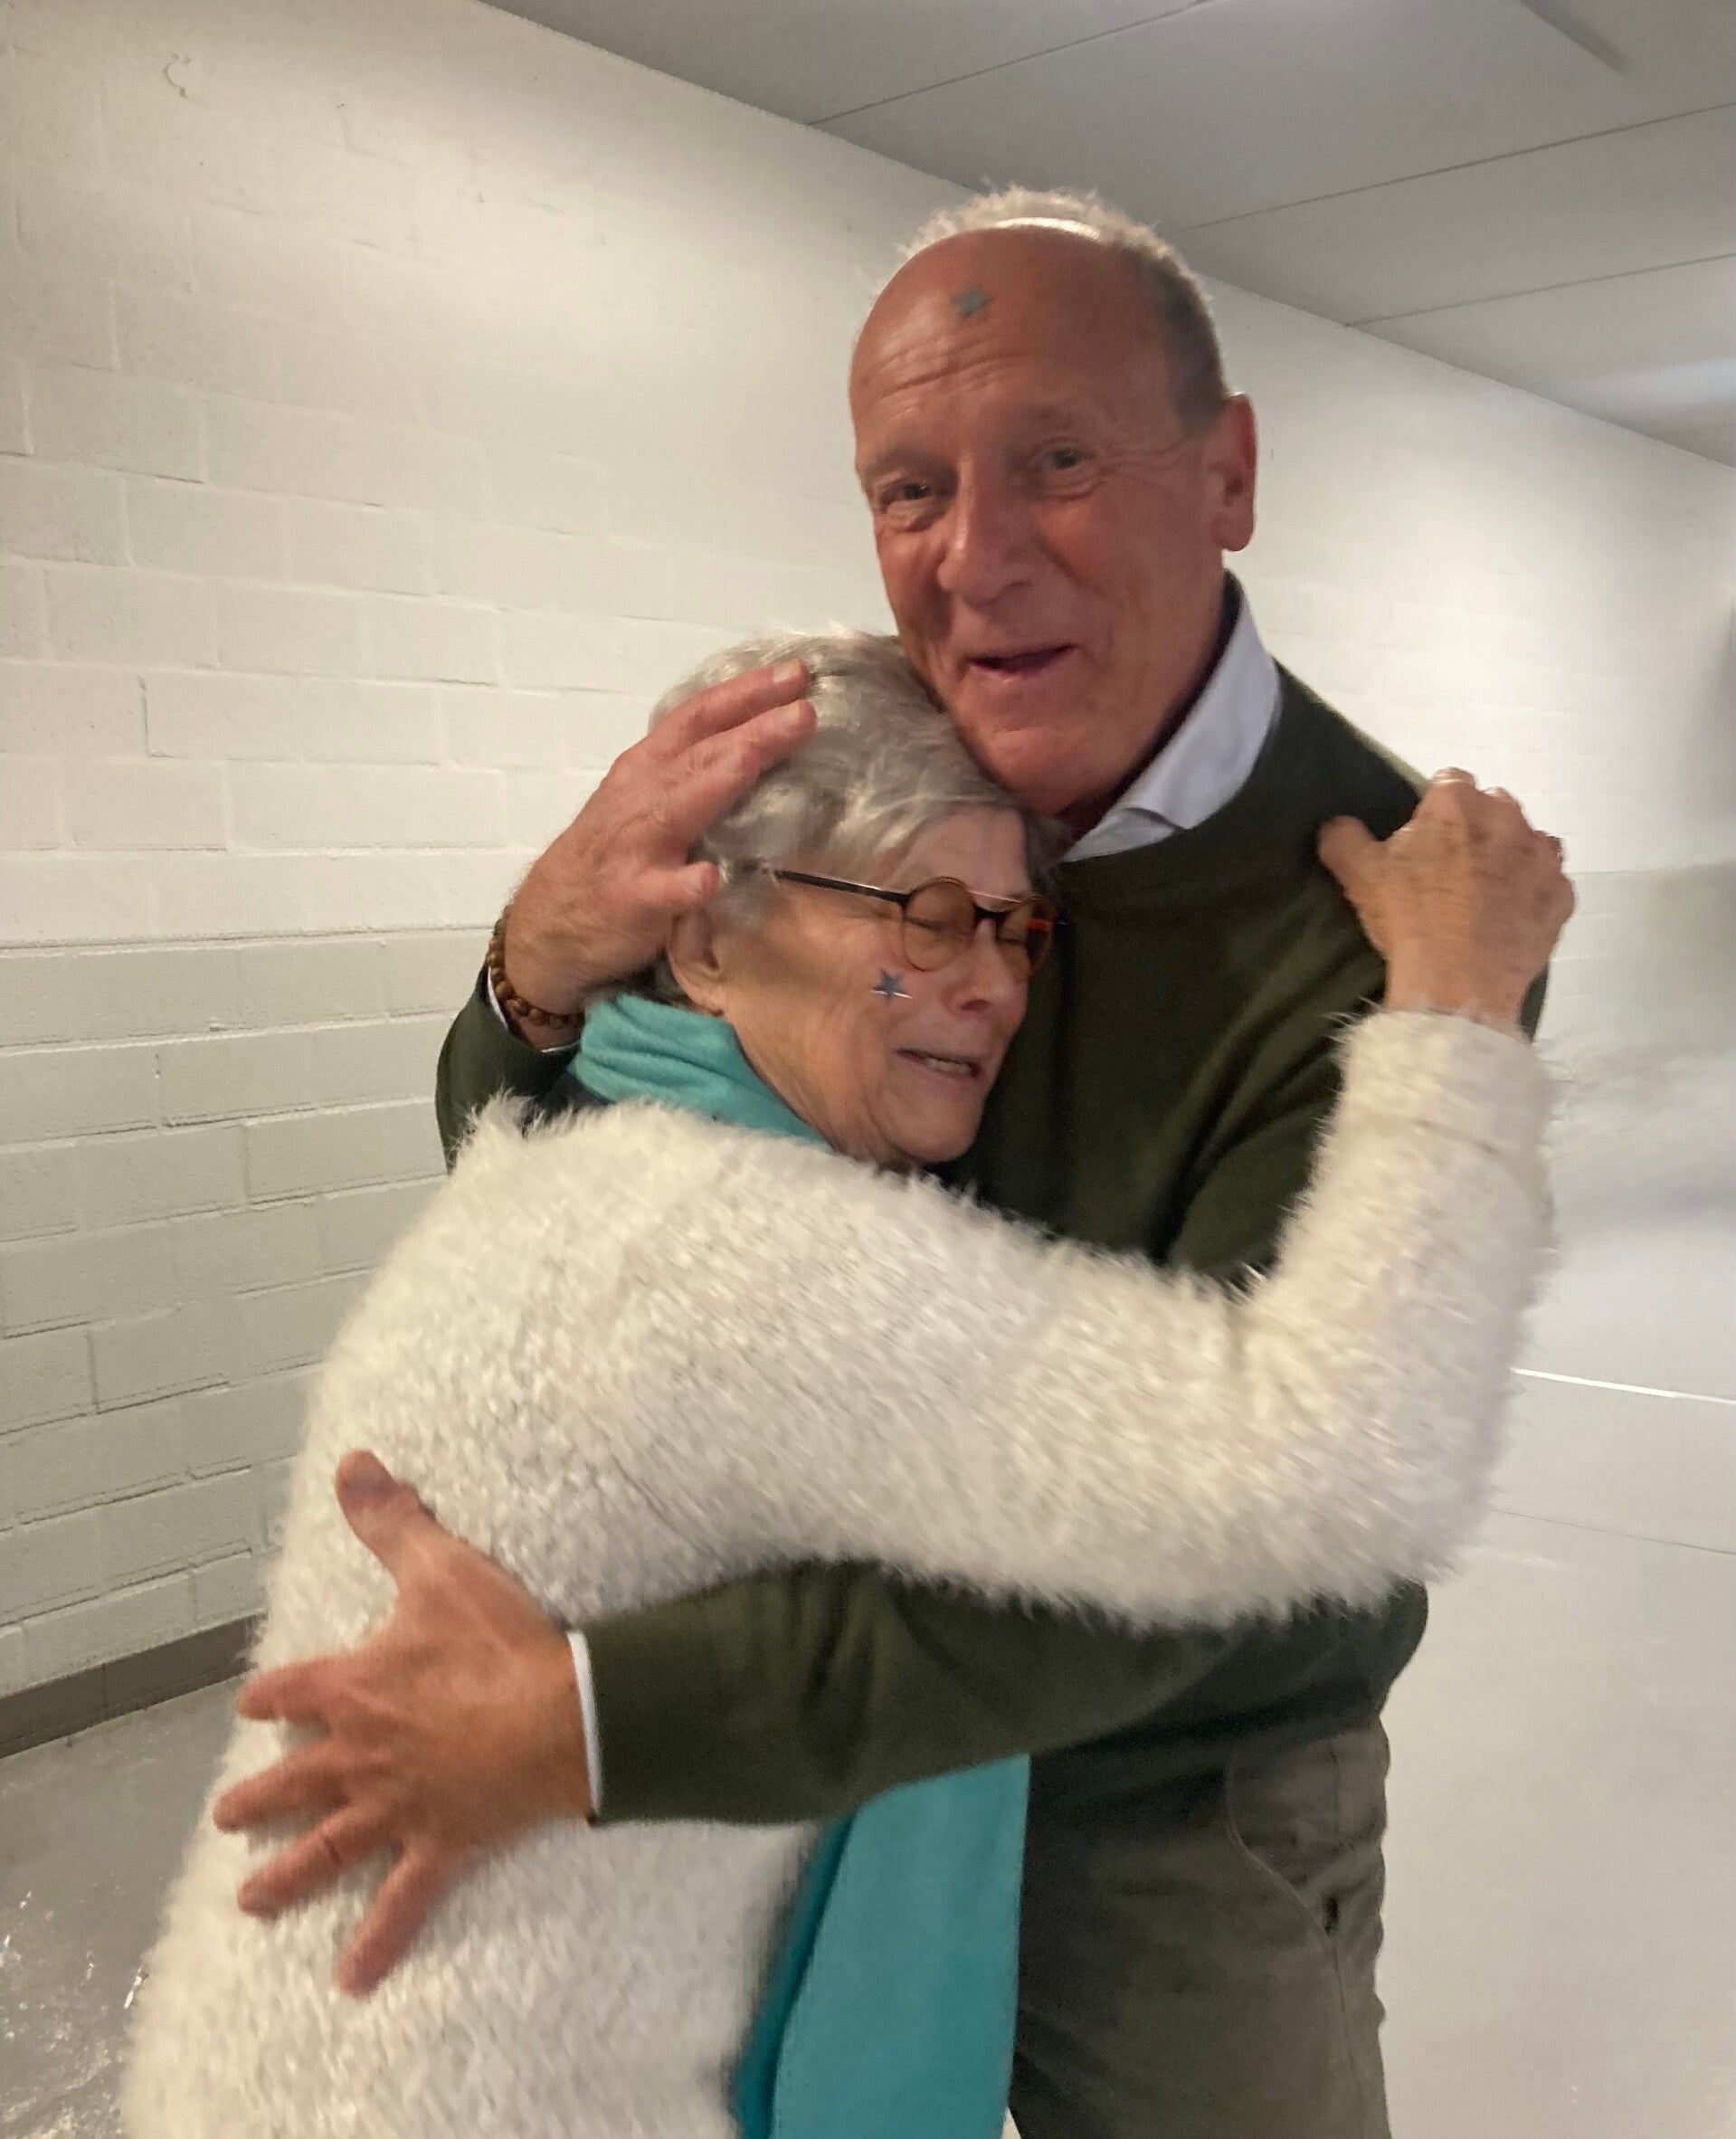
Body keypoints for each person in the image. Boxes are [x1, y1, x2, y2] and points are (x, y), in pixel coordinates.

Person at [216, 192, 1564, 2138]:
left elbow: (1234, 1534)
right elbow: (572, 1166)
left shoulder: (1402, 915)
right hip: (799, 1726)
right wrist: (529, 966)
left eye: (1058, 461)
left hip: (1161, 1800)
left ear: (1230, 472)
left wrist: (586, 1720)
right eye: (910, 488)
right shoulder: (886, 751)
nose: (976, 558)